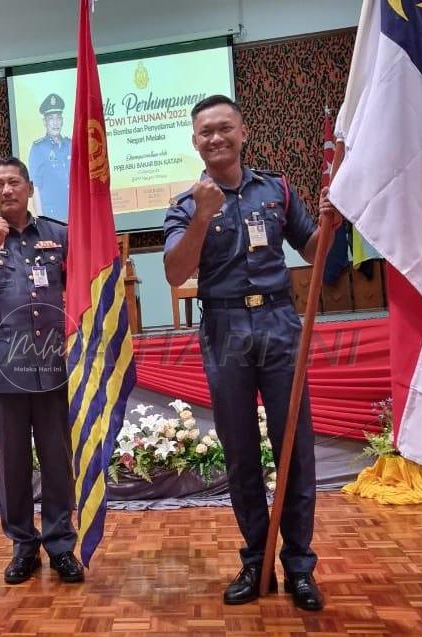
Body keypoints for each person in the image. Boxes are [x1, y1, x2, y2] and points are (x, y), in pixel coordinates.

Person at [163, 95, 342, 612]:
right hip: (224, 327)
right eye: (204, 133)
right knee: (241, 452)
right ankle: (255, 561)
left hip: (280, 324)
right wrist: (201, 217)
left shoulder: (277, 189)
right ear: (194, 142)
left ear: (242, 132)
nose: (215, 138)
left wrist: (333, 224)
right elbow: (176, 274)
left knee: (294, 447)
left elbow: (313, 252)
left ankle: (300, 566)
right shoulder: (185, 201)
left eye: (224, 129)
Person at [0, 156, 84, 585]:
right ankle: (23, 546)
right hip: (5, 367)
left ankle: (61, 545)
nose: (7, 190)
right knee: (12, 465)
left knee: (56, 461)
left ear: (29, 188)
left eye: (14, 183)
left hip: (52, 365)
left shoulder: (58, 234)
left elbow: (83, 286)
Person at [28, 93, 71, 222]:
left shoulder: (71, 145)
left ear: (62, 120)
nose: (55, 123)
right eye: (51, 118)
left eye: (58, 118)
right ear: (45, 122)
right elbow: (35, 187)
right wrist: (42, 220)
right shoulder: (38, 148)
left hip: (74, 211)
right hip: (52, 216)